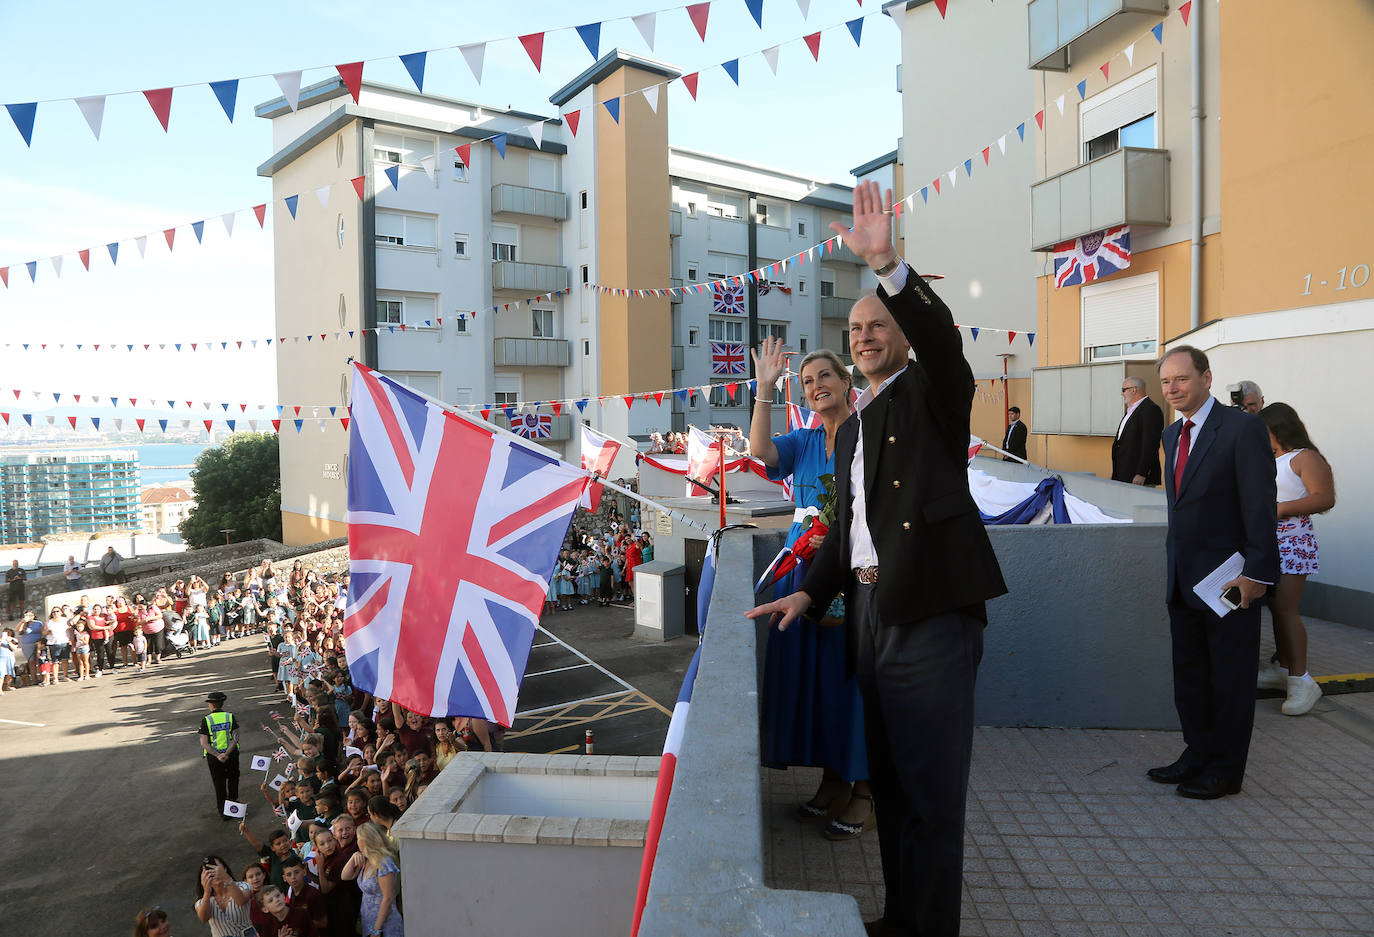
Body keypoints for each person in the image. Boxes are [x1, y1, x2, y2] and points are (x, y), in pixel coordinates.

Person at [747, 181, 1008, 937]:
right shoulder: (853, 427)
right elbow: (848, 527)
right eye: (855, 326)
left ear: (900, 333)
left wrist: (889, 263)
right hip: (868, 619)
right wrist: (808, 593)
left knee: (931, 797)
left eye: (876, 324)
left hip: (930, 617)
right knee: (891, 788)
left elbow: (945, 343)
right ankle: (902, 917)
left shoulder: (932, 393)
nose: (863, 336)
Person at [749, 338, 873, 841]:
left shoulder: (865, 434)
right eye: (807, 381)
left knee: (851, 684)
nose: (817, 385)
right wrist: (763, 388)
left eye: (825, 376)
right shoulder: (803, 442)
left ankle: (864, 790)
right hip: (804, 573)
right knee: (818, 682)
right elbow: (759, 451)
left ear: (846, 383)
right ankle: (832, 777)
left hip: (850, 570)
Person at [1147, 345, 1279, 800]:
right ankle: (1197, 753)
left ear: (1206, 378)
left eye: (1181, 379)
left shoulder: (1243, 429)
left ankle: (1226, 770)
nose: (1173, 389)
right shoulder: (1170, 436)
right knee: (1191, 674)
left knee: (1230, 677)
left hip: (1230, 581)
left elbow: (1260, 507)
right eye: (1166, 382)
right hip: (1184, 580)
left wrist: (1258, 574)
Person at [1257, 403, 1336, 716]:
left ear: (1279, 427)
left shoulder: (1305, 457)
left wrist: (1276, 509)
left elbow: (1325, 498)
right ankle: (1285, 670)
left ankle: (1302, 681)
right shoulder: (1271, 459)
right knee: (1276, 609)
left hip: (1293, 542)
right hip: (1267, 542)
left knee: (1286, 609)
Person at [343, 821, 404, 937]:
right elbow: (345, 876)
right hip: (369, 920)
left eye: (358, 838)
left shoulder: (384, 863)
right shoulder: (366, 859)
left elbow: (388, 898)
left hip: (385, 923)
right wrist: (353, 857)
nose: (357, 842)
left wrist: (377, 930)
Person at [1111, 376, 1164, 485]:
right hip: (1123, 474)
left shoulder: (1150, 409)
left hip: (1138, 477)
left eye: (1123, 390)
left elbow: (1150, 444)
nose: (1122, 394)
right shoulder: (1131, 410)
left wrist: (1142, 473)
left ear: (1134, 390)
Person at [200, 690, 241, 818]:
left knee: (219, 783)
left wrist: (218, 755)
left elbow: (204, 742)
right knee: (233, 779)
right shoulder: (230, 717)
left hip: (214, 757)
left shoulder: (206, 720)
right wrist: (227, 753)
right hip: (231, 754)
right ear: (222, 703)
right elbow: (235, 738)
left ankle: (223, 811)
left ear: (211, 705)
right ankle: (234, 805)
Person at [193, 855, 254, 937]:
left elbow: (241, 901)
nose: (213, 873)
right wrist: (207, 892)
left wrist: (225, 877)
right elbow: (204, 918)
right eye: (209, 871)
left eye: (215, 868)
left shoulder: (243, 886)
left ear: (224, 869)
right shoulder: (202, 900)